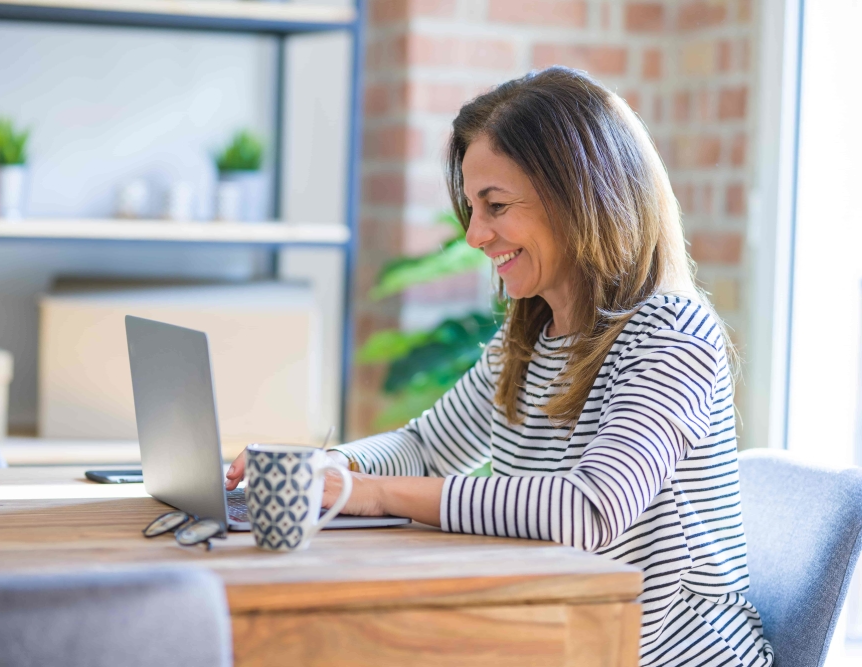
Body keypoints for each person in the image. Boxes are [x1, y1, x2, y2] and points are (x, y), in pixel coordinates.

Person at [227, 66, 773, 667]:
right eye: (472, 207)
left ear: (579, 198)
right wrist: (332, 466)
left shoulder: (671, 336)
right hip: (558, 637)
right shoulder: (531, 338)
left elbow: (587, 511)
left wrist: (373, 493)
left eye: (496, 206)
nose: (474, 235)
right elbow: (426, 446)